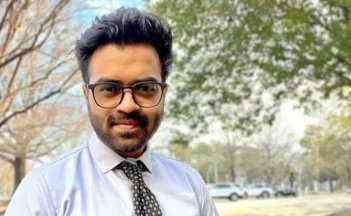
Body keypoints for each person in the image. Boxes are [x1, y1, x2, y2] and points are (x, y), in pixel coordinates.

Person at [5, 7, 219, 216]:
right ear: (87, 95)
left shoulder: (190, 183)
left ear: (162, 95)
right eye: (109, 89)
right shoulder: (43, 191)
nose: (127, 105)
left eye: (145, 88)